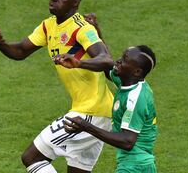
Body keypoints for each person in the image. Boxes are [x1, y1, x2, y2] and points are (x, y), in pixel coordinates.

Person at [0, 0, 114, 173]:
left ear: (75, 2)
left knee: (32, 158)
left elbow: (106, 59)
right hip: (96, 113)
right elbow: (20, 51)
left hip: (90, 112)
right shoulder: (48, 26)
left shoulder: (81, 29)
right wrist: (0, 42)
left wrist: (78, 62)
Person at [54, 44, 158, 173]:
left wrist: (86, 126)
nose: (119, 60)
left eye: (125, 60)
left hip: (134, 166)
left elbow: (127, 141)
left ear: (136, 72)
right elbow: (108, 65)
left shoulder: (135, 98)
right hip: (139, 164)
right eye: (122, 56)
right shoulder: (130, 81)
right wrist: (79, 63)